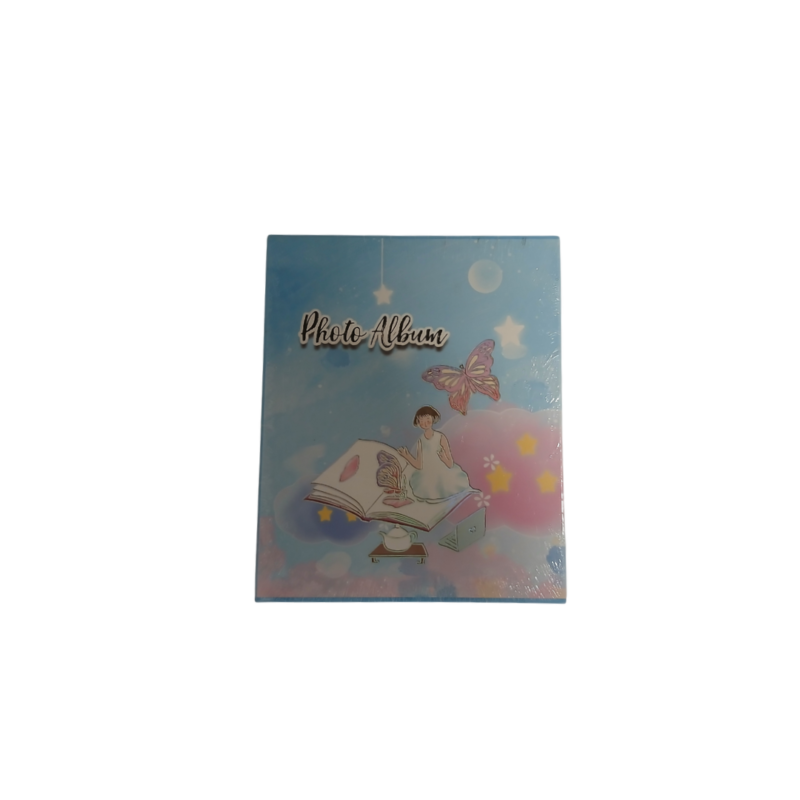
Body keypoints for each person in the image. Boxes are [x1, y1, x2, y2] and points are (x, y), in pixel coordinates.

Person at [398, 406, 474, 503]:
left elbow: (450, 464)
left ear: (433, 419)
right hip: (427, 477)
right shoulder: (421, 440)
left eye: (427, 419)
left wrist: (443, 458)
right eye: (421, 420)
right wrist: (407, 456)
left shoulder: (440, 437)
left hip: (444, 475)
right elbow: (419, 465)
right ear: (418, 422)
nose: (425, 423)